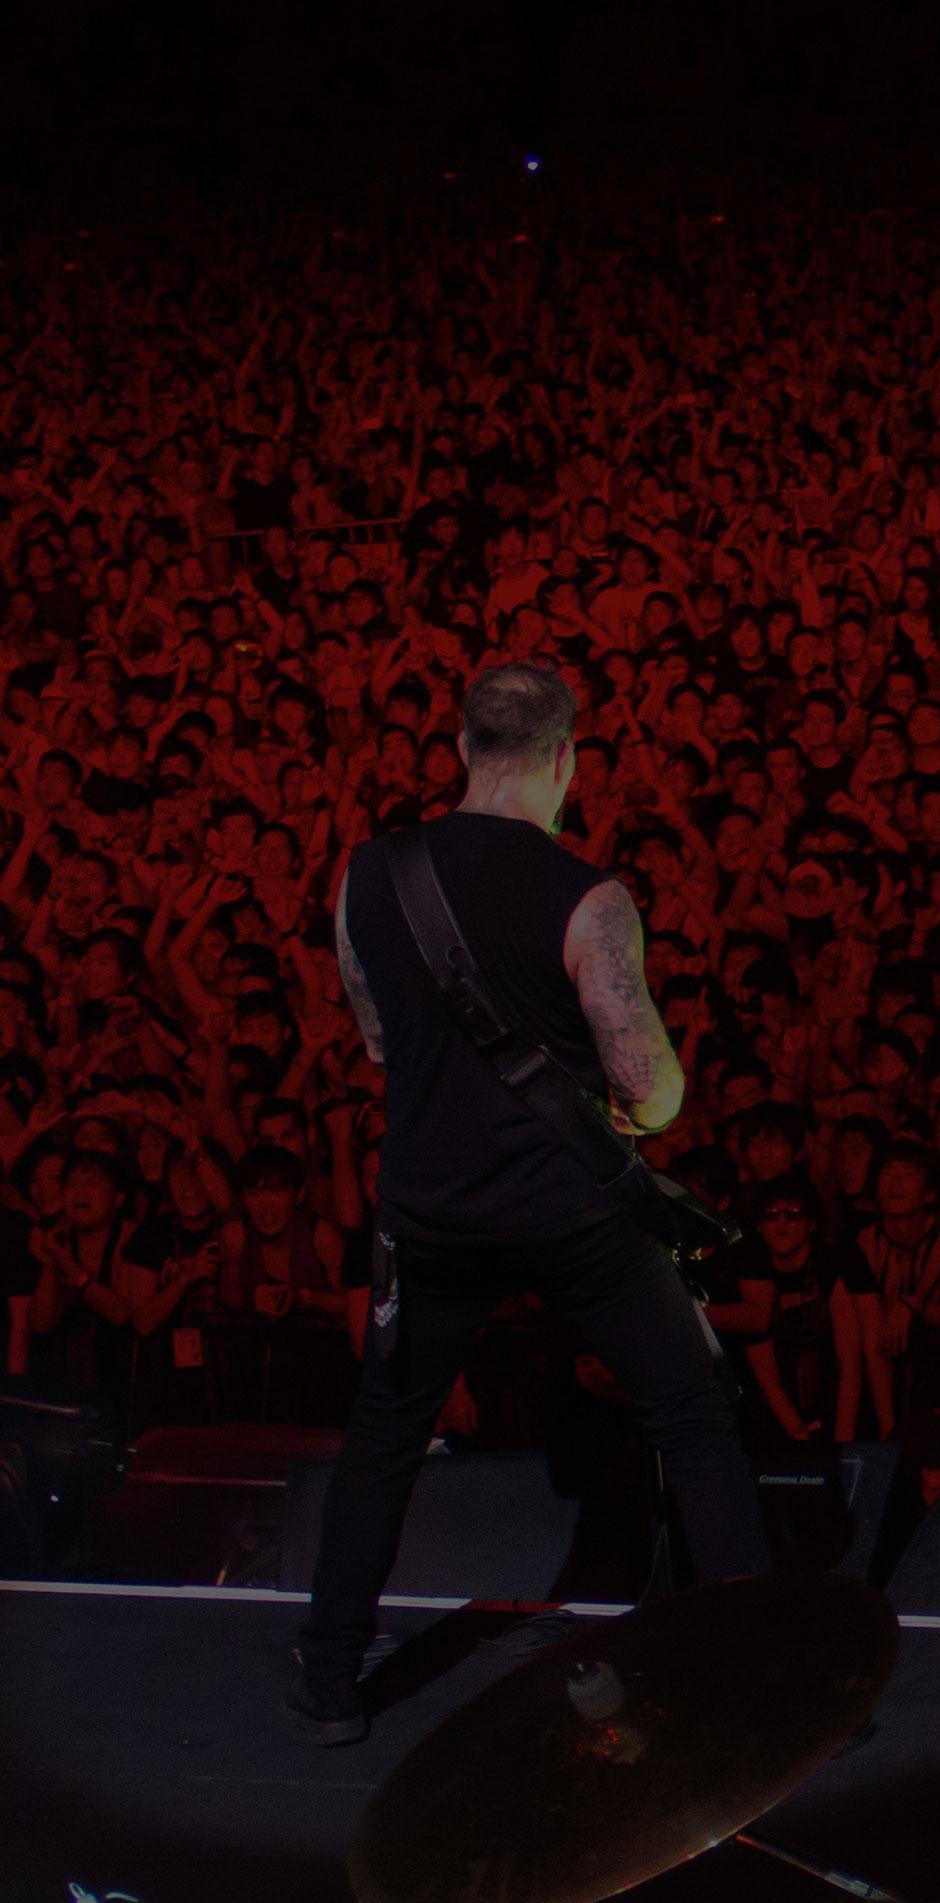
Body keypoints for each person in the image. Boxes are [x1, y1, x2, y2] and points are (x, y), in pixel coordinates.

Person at [285, 664, 771, 1745]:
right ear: (568, 761)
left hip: (431, 1210)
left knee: (385, 1437)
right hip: (570, 1212)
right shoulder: (589, 898)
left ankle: (326, 1681)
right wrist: (641, 1111)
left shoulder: (365, 875)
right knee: (690, 1416)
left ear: (461, 747)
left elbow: (377, 1044)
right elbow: (650, 1089)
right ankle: (759, 1668)